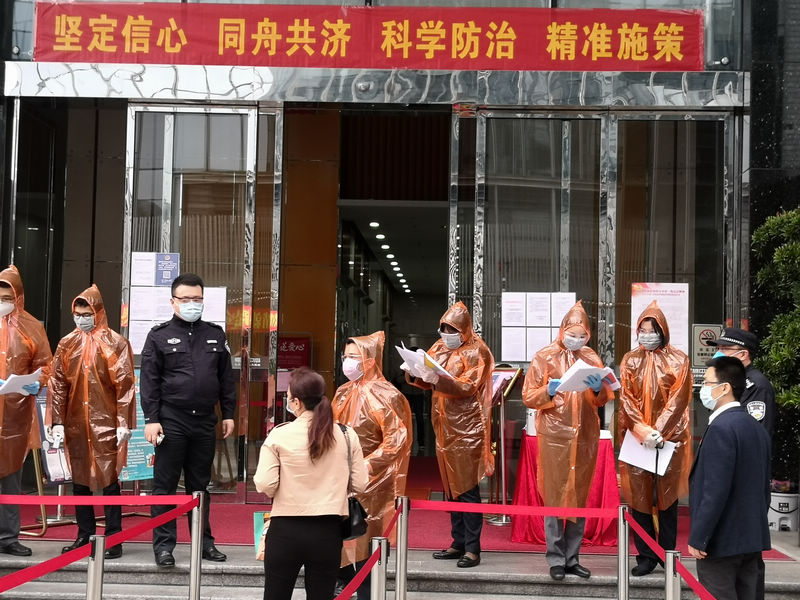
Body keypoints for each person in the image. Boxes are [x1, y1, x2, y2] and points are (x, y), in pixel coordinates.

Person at [140, 273, 235, 567]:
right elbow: (149, 381)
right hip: (171, 420)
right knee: (165, 485)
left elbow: (226, 378)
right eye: (186, 299)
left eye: (197, 299)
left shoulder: (215, 334)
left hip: (204, 420)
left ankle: (204, 544)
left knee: (200, 486)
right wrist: (151, 418)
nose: (192, 304)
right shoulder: (158, 335)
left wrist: (229, 413)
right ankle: (164, 547)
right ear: (173, 302)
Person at [254, 366, 368, 600]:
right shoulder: (346, 435)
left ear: (296, 402)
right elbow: (360, 483)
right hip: (328, 531)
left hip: (285, 530)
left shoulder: (279, 434)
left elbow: (265, 484)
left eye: (288, 397)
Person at [522, 300, 613, 581]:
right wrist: (548, 392)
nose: (576, 339)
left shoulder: (591, 357)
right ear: (562, 331)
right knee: (554, 495)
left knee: (578, 496)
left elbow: (602, 398)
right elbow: (528, 396)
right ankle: (555, 558)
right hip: (554, 436)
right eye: (572, 334)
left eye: (582, 335)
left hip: (584, 435)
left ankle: (573, 558)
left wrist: (598, 389)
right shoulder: (544, 356)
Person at [48, 285, 136, 559]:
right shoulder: (67, 343)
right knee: (80, 481)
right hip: (75, 422)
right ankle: (84, 534)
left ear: (98, 312)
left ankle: (114, 538)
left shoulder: (116, 343)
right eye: (77, 314)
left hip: (106, 422)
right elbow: (57, 384)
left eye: (87, 314)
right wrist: (57, 421)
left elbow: (125, 385)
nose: (82, 318)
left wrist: (123, 421)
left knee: (109, 481)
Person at [405, 301, 494, 569]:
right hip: (444, 427)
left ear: (464, 329)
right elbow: (428, 379)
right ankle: (458, 541)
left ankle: (473, 548)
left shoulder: (478, 351)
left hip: (468, 428)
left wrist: (438, 380)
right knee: (451, 487)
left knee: (467, 488)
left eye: (452, 329)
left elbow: (468, 386)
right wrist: (415, 373)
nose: (447, 334)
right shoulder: (440, 347)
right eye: (444, 329)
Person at [333, 332, 412, 598]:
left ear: (369, 360)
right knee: (340, 536)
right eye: (345, 356)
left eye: (354, 357)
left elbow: (396, 440)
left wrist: (365, 466)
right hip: (341, 478)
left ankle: (368, 593)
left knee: (369, 540)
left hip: (374, 480)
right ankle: (344, 581)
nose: (347, 362)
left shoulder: (387, 395)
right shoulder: (343, 392)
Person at [618, 301, 692, 576]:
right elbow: (626, 400)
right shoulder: (630, 360)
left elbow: (679, 400)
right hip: (638, 440)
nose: (647, 335)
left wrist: (658, 431)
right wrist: (642, 431)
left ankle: (667, 554)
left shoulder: (679, 360)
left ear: (663, 331)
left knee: (667, 500)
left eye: (652, 330)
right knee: (639, 499)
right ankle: (646, 556)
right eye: (643, 330)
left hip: (670, 439)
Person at [688, 356, 771, 600]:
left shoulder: (721, 428)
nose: (702, 388)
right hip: (751, 539)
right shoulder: (756, 428)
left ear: (724, 388)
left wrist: (700, 537)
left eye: (706, 382)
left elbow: (714, 490)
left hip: (721, 542)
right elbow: (763, 488)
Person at [0, 265, 52, 557]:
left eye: (8, 297)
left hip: (15, 414)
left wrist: (36, 382)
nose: (3, 302)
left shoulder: (31, 327)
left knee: (11, 477)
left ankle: (8, 537)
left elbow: (45, 364)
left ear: (18, 296)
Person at [707, 327, 776, 436]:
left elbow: (754, 433)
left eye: (724, 348)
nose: (718, 353)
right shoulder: (732, 380)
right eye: (718, 348)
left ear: (743, 354)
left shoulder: (756, 386)